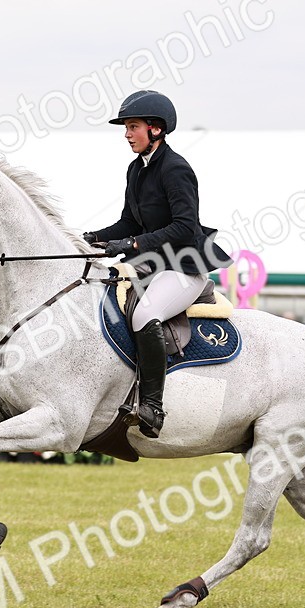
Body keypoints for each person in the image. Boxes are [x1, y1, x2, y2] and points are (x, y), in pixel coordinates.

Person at [82, 90, 234, 439]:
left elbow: (185, 227)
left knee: (143, 316)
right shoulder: (136, 169)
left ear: (156, 129)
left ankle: (152, 406)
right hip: (153, 266)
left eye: (132, 126)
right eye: (126, 127)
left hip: (184, 266)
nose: (126, 134)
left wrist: (133, 244)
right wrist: (90, 237)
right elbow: (128, 223)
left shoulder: (176, 168)